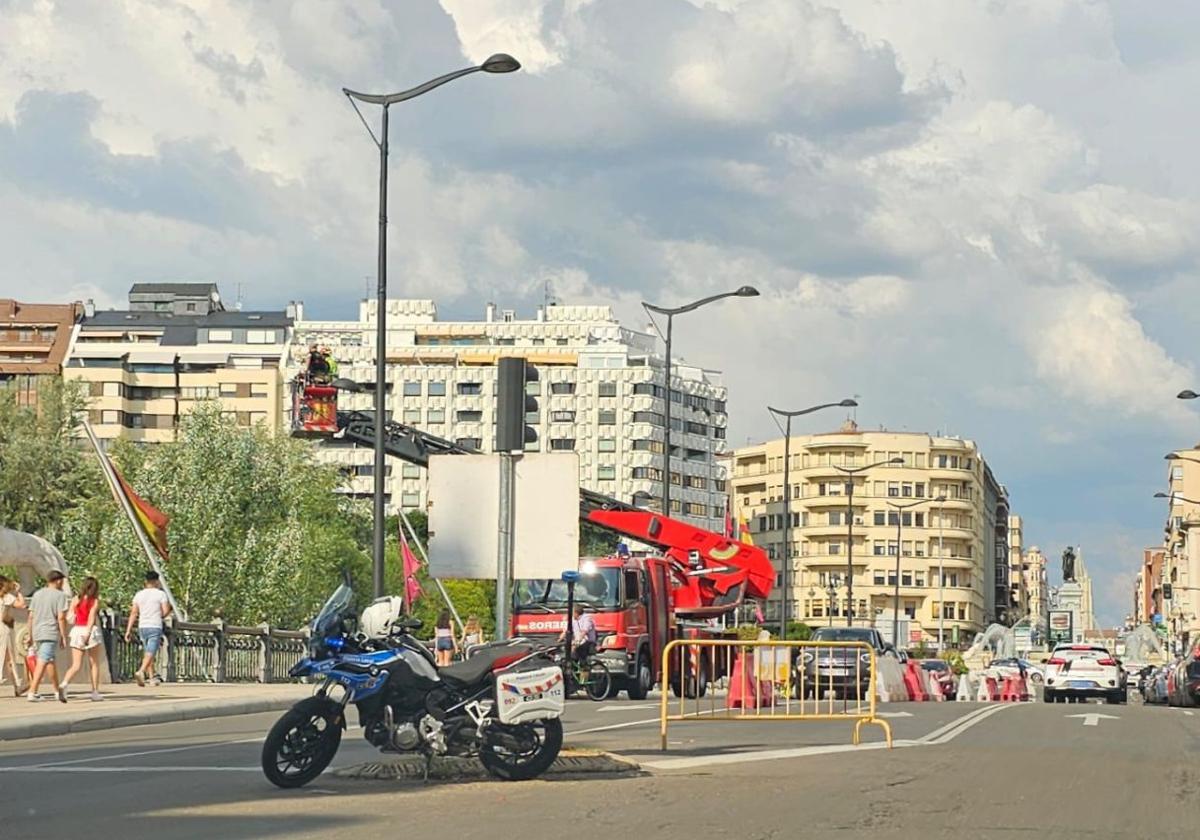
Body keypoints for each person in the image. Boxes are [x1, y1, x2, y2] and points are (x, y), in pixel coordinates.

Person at [27, 570, 69, 703]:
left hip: (38, 631)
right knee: (43, 661)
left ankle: (57, 691)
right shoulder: (60, 596)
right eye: (62, 581)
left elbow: (31, 616)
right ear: (58, 581)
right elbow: (61, 617)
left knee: (49, 660)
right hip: (50, 631)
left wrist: (30, 634)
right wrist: (63, 635)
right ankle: (32, 692)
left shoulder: (37, 594)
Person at [124, 570, 172, 687]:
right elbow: (165, 611)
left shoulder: (139, 595)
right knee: (151, 651)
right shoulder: (161, 594)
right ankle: (141, 671)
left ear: (146, 581)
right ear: (157, 581)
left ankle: (151, 678)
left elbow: (134, 613)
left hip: (142, 625)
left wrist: (128, 630)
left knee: (148, 652)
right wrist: (159, 614)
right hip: (155, 625)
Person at [60, 576, 104, 701]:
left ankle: (64, 683)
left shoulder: (75, 599)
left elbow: (69, 616)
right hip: (89, 631)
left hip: (76, 630)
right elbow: (91, 618)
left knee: (76, 664)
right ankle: (95, 692)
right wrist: (88, 633)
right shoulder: (94, 601)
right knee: (94, 663)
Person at [0, 575, 28, 696]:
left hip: (4, 627)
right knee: (9, 657)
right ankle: (16, 684)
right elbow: (21, 604)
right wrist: (18, 592)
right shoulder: (7, 598)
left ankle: (17, 685)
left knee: (7, 658)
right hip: (4, 628)